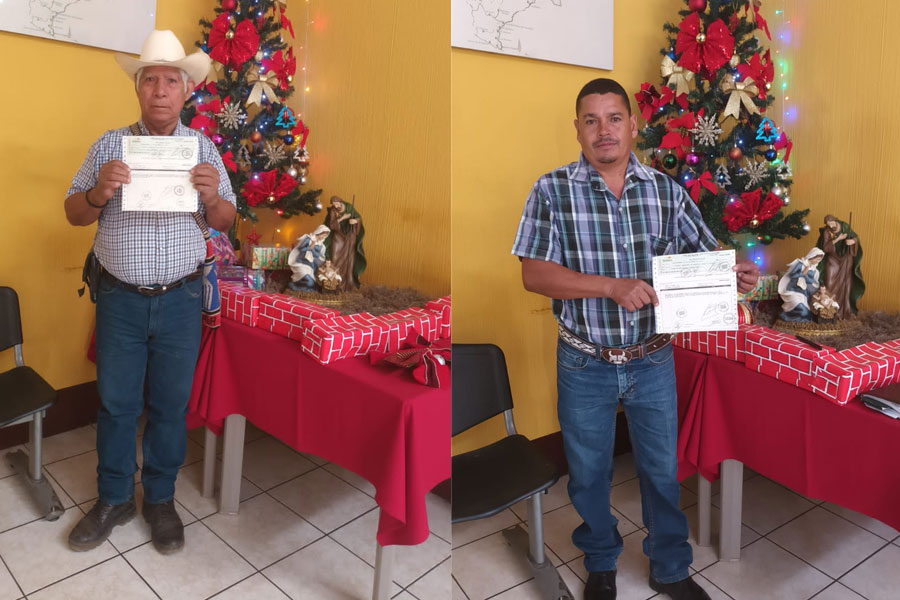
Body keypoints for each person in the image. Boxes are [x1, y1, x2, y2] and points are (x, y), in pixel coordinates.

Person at [511, 78, 759, 600]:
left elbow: (704, 255)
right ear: (577, 128)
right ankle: (601, 561)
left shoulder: (666, 191)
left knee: (661, 471)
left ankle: (670, 567)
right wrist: (610, 286)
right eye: (591, 120)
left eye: (614, 118)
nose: (604, 130)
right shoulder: (551, 190)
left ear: (632, 124)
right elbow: (534, 274)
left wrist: (732, 273)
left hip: (652, 360)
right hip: (584, 361)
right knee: (588, 472)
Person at [63, 30, 236, 554]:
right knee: (116, 405)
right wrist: (99, 191)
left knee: (169, 406)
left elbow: (227, 220)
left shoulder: (203, 149)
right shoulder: (108, 145)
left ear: (186, 90)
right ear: (137, 89)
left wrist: (213, 199)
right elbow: (73, 213)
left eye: (171, 81)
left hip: (182, 300)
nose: (160, 90)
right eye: (150, 80)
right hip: (120, 299)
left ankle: (160, 500)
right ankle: (114, 498)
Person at [816, 215, 864, 319]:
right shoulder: (826, 232)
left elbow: (855, 238)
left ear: (835, 220)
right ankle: (828, 310)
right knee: (829, 282)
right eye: (828, 224)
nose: (830, 226)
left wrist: (852, 241)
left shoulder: (845, 226)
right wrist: (839, 238)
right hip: (832, 258)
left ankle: (844, 311)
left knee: (845, 283)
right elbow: (826, 247)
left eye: (832, 223)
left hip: (845, 258)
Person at [324, 195, 366, 291]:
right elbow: (332, 225)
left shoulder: (349, 207)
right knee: (334, 257)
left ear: (340, 201)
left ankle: (347, 283)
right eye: (334, 204)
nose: (336, 206)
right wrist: (343, 218)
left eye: (337, 203)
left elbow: (358, 218)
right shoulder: (333, 211)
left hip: (349, 236)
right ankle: (333, 282)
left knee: (349, 259)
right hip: (338, 236)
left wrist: (354, 221)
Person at [777, 247, 825, 321]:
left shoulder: (815, 270)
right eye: (817, 259)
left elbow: (812, 281)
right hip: (793, 291)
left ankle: (792, 318)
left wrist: (805, 275)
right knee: (802, 309)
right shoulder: (800, 264)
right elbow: (792, 275)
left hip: (804, 293)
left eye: (819, 260)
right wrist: (803, 273)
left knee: (806, 313)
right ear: (812, 256)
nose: (818, 261)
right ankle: (785, 316)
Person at [287, 224, 330, 291]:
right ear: (319, 232)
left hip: (311, 266)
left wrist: (312, 250)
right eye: (323, 235)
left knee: (311, 284)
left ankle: (301, 288)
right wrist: (309, 248)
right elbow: (301, 249)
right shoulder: (309, 239)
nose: (324, 237)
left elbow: (318, 255)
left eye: (325, 236)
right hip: (301, 263)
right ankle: (293, 285)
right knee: (308, 280)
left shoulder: (321, 246)